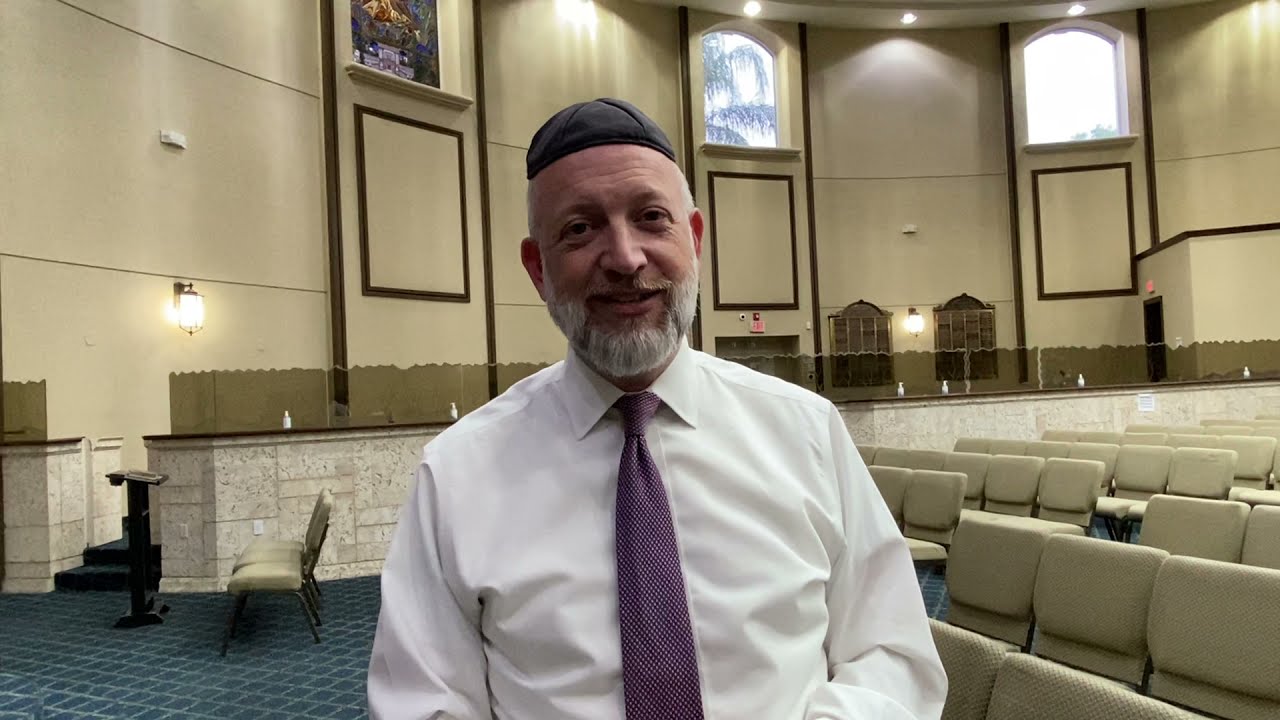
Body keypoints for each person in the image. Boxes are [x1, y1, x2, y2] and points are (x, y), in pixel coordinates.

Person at [367, 98, 946, 719]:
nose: (625, 258)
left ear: (693, 238)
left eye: (650, 218)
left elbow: (890, 650)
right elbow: (422, 703)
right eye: (579, 229)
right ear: (537, 268)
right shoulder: (458, 474)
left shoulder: (805, 432)